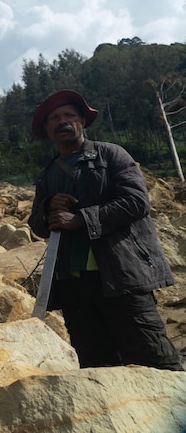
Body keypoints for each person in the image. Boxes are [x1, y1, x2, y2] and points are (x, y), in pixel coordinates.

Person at [28, 89, 181, 370]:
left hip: (120, 277)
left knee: (155, 358)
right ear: (47, 129)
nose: (62, 121)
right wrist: (48, 207)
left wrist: (81, 219)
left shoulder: (111, 155)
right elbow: (37, 226)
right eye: (54, 118)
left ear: (82, 122)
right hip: (73, 286)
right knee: (97, 365)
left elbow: (137, 202)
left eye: (69, 116)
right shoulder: (47, 175)